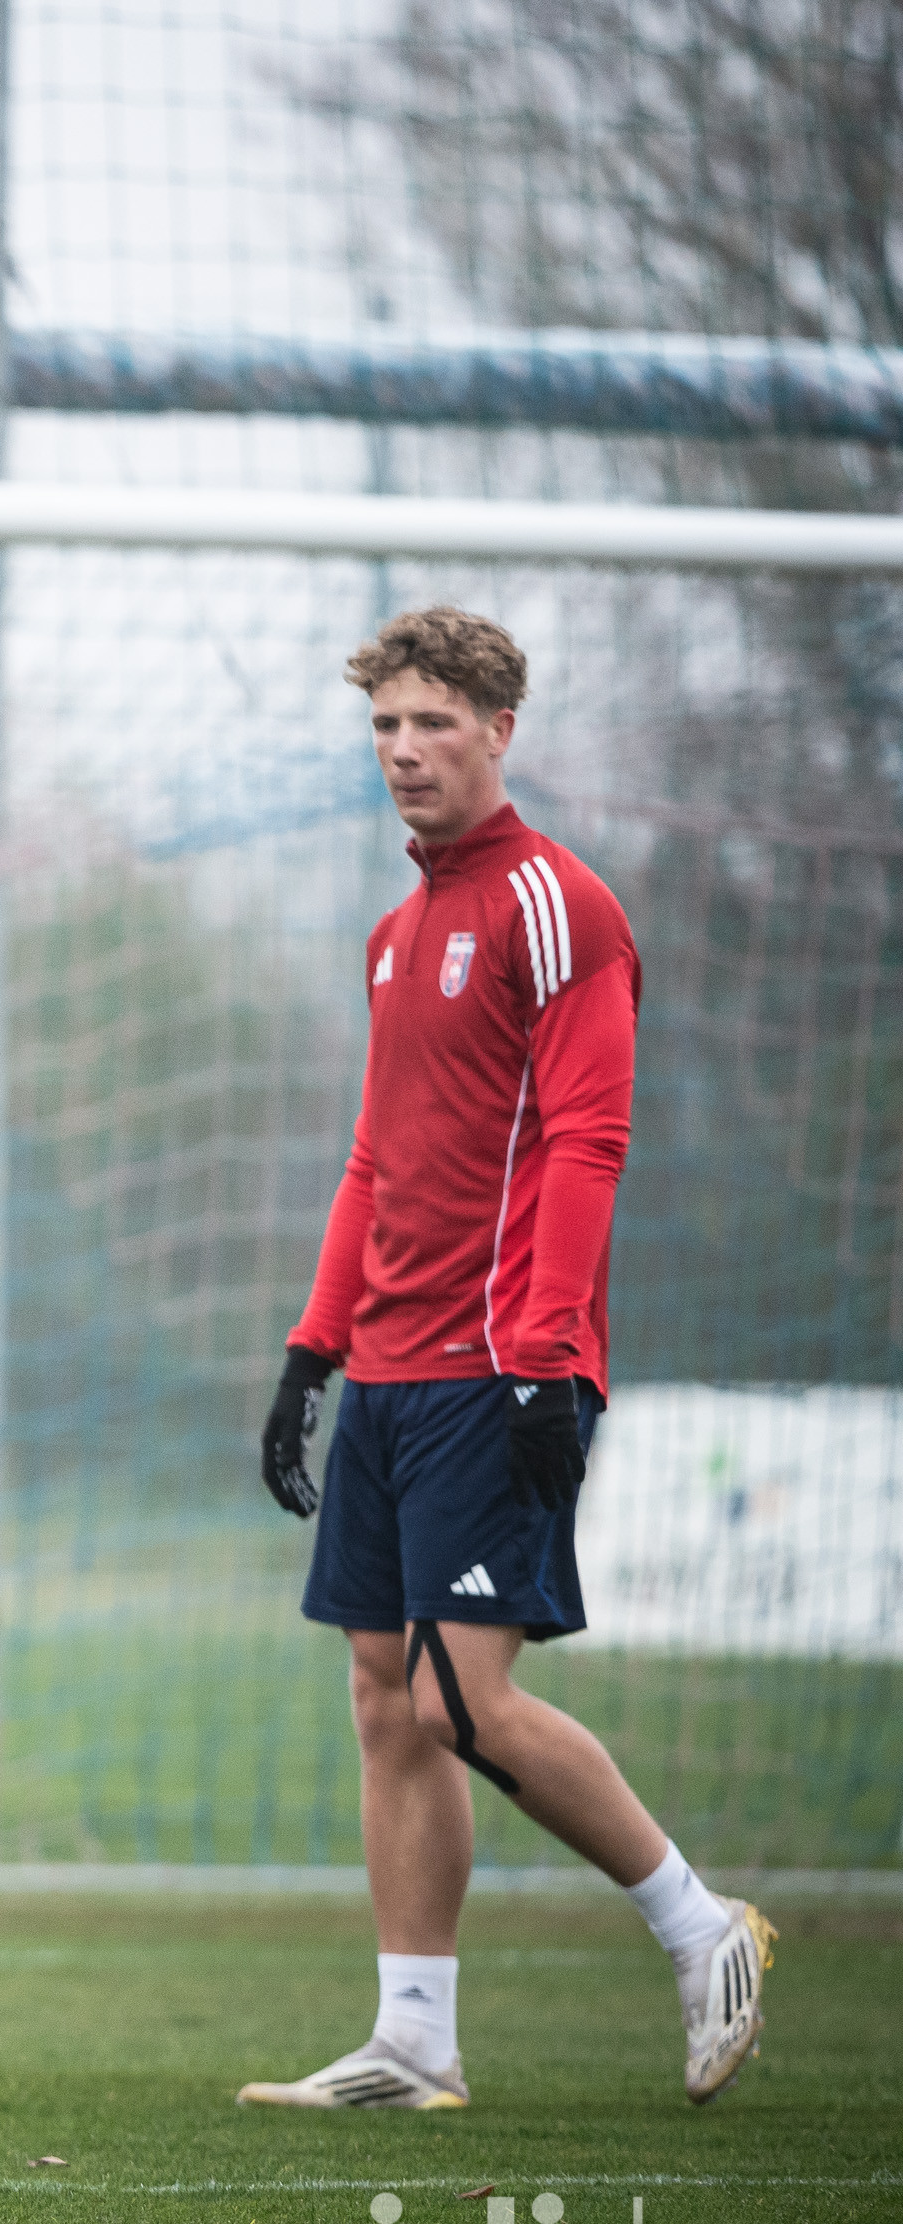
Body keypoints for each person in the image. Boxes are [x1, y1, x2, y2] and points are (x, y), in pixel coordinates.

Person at [241, 605, 770, 2112]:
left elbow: (590, 1138)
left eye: (433, 723)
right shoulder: (395, 936)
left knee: (462, 1702)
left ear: (498, 730)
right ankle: (414, 2041)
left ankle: (704, 1928)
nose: (405, 751)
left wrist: (544, 1361)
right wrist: (312, 1351)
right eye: (385, 726)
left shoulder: (560, 906)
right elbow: (376, 1158)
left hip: (498, 1365)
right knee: (382, 1695)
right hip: (391, 1371)